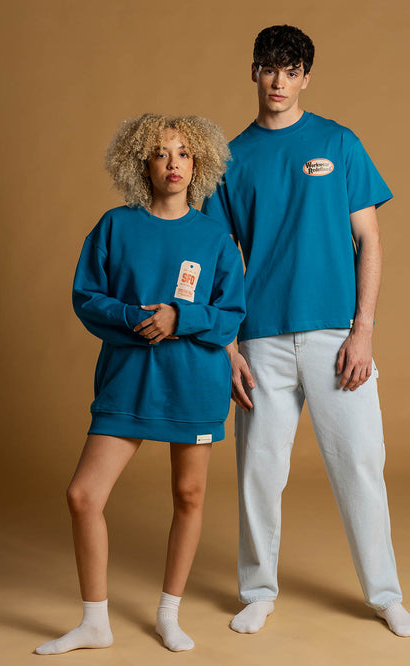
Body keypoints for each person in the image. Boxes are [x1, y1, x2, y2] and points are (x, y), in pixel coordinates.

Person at [202, 25, 410, 638]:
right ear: (254, 71)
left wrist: (363, 330)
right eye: (270, 68)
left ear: (306, 78)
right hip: (260, 340)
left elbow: (369, 239)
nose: (279, 81)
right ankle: (257, 592)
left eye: (292, 70)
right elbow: (220, 260)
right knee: (258, 473)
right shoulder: (229, 160)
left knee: (360, 466)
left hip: (337, 338)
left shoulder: (338, 142)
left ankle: (385, 596)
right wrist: (226, 346)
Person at [35, 114, 246, 655]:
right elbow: (87, 296)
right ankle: (95, 622)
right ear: (141, 164)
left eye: (183, 153)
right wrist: (134, 317)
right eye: (160, 153)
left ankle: (169, 614)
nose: (173, 163)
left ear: (198, 165)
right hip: (128, 380)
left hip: (193, 382)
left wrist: (181, 317)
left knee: (189, 495)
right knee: (83, 495)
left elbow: (231, 316)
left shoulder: (215, 238)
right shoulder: (114, 226)